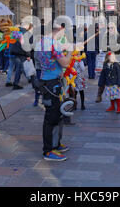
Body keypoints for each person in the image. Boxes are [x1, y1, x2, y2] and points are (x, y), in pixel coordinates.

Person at [36, 24, 72, 161]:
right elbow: (64, 63)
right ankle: (48, 150)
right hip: (52, 84)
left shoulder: (42, 42)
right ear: (60, 30)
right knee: (51, 117)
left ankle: (55, 144)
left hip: (47, 81)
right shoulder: (53, 44)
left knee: (57, 115)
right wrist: (69, 52)